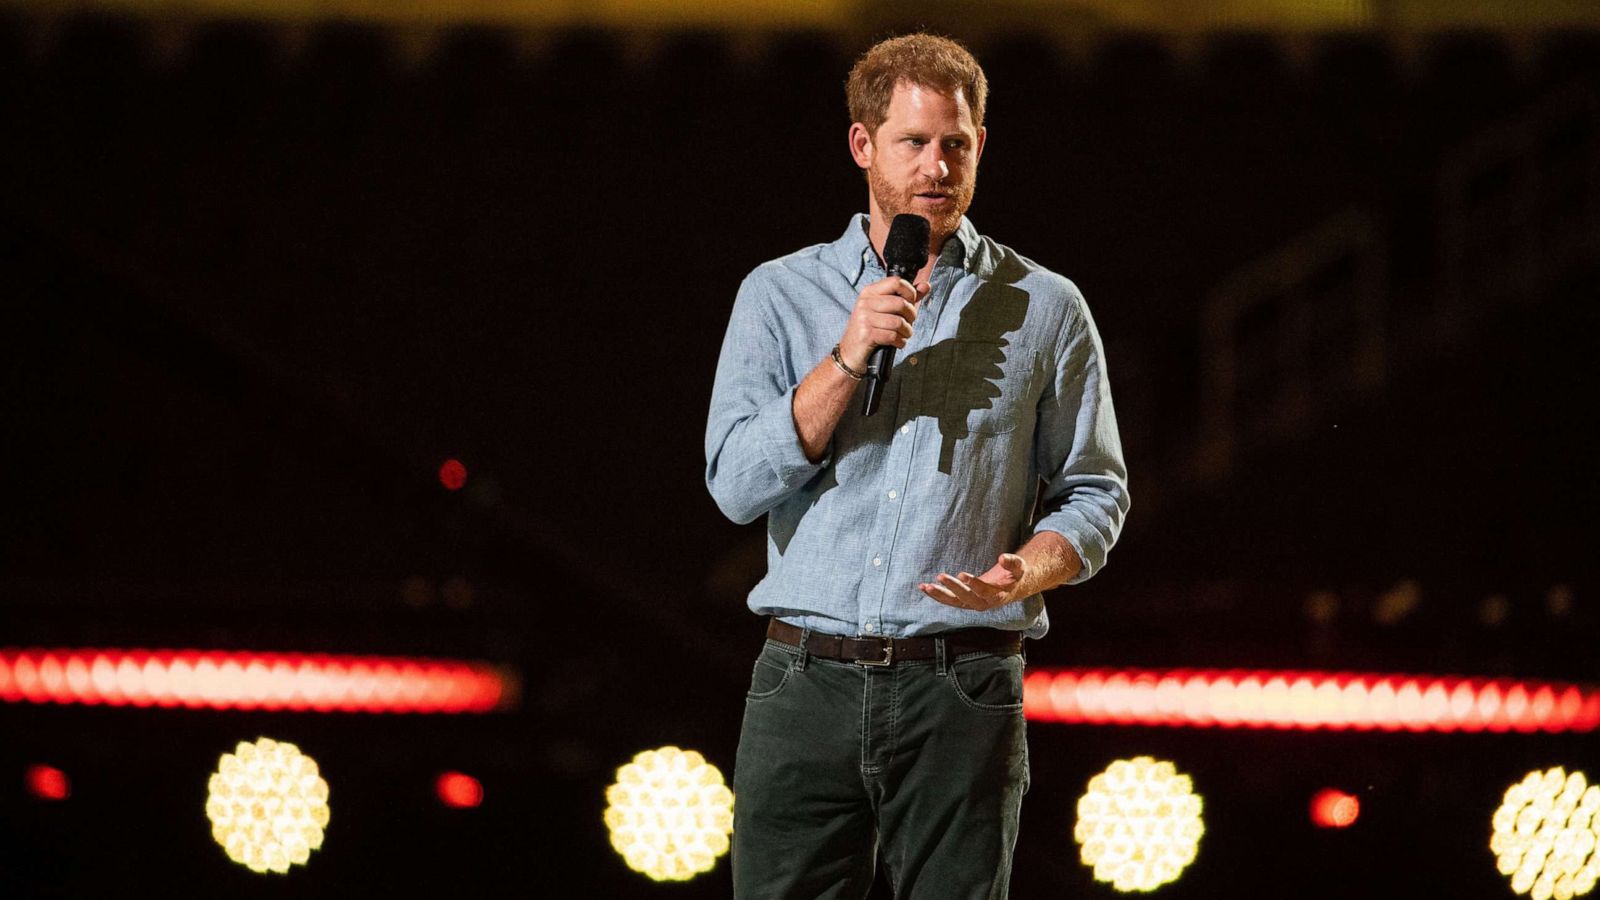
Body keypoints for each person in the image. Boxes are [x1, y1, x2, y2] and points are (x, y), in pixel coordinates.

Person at [704, 32, 1129, 899]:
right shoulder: (780, 295)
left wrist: (1026, 570)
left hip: (962, 684)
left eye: (956, 145)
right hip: (803, 679)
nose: (936, 167)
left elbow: (1095, 492)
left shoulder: (1045, 307)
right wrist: (848, 353)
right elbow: (736, 486)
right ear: (863, 145)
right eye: (913, 143)